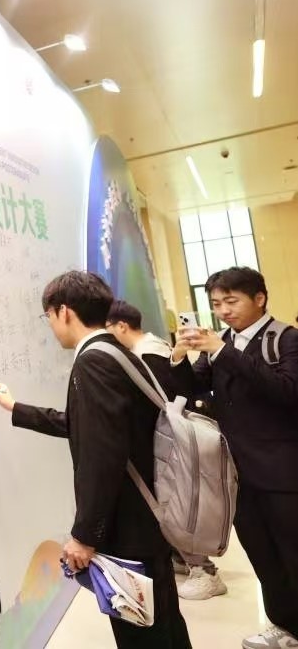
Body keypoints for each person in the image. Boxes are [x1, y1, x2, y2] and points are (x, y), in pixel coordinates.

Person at [0, 272, 190, 648]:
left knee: (145, 635)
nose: (50, 326)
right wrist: (16, 408)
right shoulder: (115, 352)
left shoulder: (92, 362)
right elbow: (89, 427)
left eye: (48, 316)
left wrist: (84, 536)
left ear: (64, 311)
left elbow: (101, 456)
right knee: (164, 626)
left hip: (128, 529)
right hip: (147, 517)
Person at [170, 267, 298, 649]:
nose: (223, 311)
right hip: (237, 475)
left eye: (231, 301)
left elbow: (288, 391)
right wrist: (178, 357)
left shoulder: (285, 339)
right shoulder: (220, 342)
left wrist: (223, 352)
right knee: (263, 556)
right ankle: (286, 626)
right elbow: (191, 390)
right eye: (215, 304)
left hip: (284, 473)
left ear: (259, 298)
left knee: (294, 553)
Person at [105, 299, 227, 600]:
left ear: (121, 326)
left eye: (107, 328)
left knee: (175, 505)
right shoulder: (153, 348)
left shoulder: (148, 354)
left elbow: (164, 401)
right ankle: (188, 562)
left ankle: (204, 571)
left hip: (168, 443)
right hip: (169, 441)